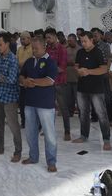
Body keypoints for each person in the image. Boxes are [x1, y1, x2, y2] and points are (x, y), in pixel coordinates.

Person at [19, 35, 58, 172]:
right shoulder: (29, 61)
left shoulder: (50, 62)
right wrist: (24, 81)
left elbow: (50, 80)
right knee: (30, 132)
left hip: (45, 104)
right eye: (32, 48)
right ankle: (33, 156)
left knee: (49, 134)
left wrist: (32, 82)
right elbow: (21, 75)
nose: (34, 50)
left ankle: (51, 161)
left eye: (36, 48)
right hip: (30, 102)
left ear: (44, 47)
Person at [73, 33, 112, 150]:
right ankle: (84, 135)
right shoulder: (80, 52)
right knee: (83, 113)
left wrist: (88, 71)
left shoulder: (98, 52)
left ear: (91, 40)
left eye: (85, 41)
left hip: (96, 88)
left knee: (101, 114)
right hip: (82, 87)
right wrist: (79, 70)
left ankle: (106, 139)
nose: (83, 43)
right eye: (81, 41)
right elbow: (76, 66)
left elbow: (104, 69)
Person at [0, 32, 22, 162]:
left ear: (7, 44)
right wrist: (0, 76)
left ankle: (18, 151)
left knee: (14, 126)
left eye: (0, 44)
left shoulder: (13, 59)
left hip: (10, 98)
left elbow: (12, 79)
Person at [44, 28, 71, 141]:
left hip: (59, 82)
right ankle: (49, 130)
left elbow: (62, 68)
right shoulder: (47, 49)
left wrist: (49, 70)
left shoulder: (62, 49)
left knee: (63, 108)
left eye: (49, 37)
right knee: (49, 107)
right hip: (48, 82)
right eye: (46, 38)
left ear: (55, 37)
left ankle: (67, 131)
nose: (47, 40)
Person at [16, 31, 33, 128]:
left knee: (31, 102)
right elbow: (16, 61)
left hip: (30, 78)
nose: (22, 41)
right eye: (21, 39)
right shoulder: (19, 49)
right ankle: (23, 122)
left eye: (24, 39)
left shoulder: (33, 49)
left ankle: (32, 123)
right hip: (21, 79)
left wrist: (23, 64)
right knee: (22, 102)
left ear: (29, 39)